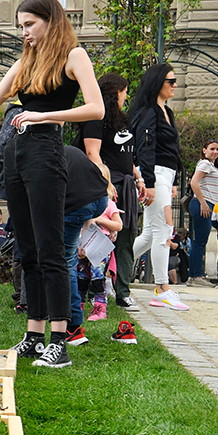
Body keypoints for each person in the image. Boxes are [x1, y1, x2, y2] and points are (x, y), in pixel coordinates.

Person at [0, 0, 102, 370]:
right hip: (15, 155)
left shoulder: (74, 56)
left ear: (51, 20)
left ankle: (60, 341)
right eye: (21, 26)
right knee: (27, 250)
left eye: (30, 24)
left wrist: (43, 116)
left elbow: (95, 108)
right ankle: (34, 336)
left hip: (46, 152)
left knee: (51, 250)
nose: (25, 32)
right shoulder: (25, 63)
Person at [78, 72, 145, 311]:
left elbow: (127, 155)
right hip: (105, 184)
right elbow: (92, 153)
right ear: (116, 92)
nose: (126, 96)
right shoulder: (96, 118)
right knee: (97, 238)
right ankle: (91, 291)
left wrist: (138, 177)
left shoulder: (123, 120)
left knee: (126, 238)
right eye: (125, 92)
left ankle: (122, 292)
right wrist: (104, 183)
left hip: (125, 184)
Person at [128, 63, 188, 311]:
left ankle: (108, 270)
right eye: (170, 81)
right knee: (164, 230)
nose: (175, 85)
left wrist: (173, 181)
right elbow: (145, 148)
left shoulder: (167, 112)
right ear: (157, 83)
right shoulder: (148, 112)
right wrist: (150, 183)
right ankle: (162, 288)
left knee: (151, 234)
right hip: (154, 174)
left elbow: (171, 149)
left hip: (165, 175)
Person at [61, 145, 111, 346]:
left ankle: (73, 325)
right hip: (97, 200)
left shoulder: (46, 154)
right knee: (70, 261)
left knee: (66, 262)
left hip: (79, 205)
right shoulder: (72, 152)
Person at [78, 164, 124, 323]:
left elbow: (118, 225)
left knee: (98, 277)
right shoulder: (84, 202)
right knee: (82, 277)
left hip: (100, 245)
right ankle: (78, 306)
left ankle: (100, 307)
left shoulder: (108, 204)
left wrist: (101, 220)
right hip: (85, 244)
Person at [185, 139, 218, 286]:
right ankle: (197, 276)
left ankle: (193, 276)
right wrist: (203, 202)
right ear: (204, 150)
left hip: (206, 203)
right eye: (212, 149)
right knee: (200, 241)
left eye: (217, 149)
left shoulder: (209, 165)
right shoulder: (205, 164)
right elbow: (194, 182)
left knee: (199, 241)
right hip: (203, 203)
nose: (215, 152)